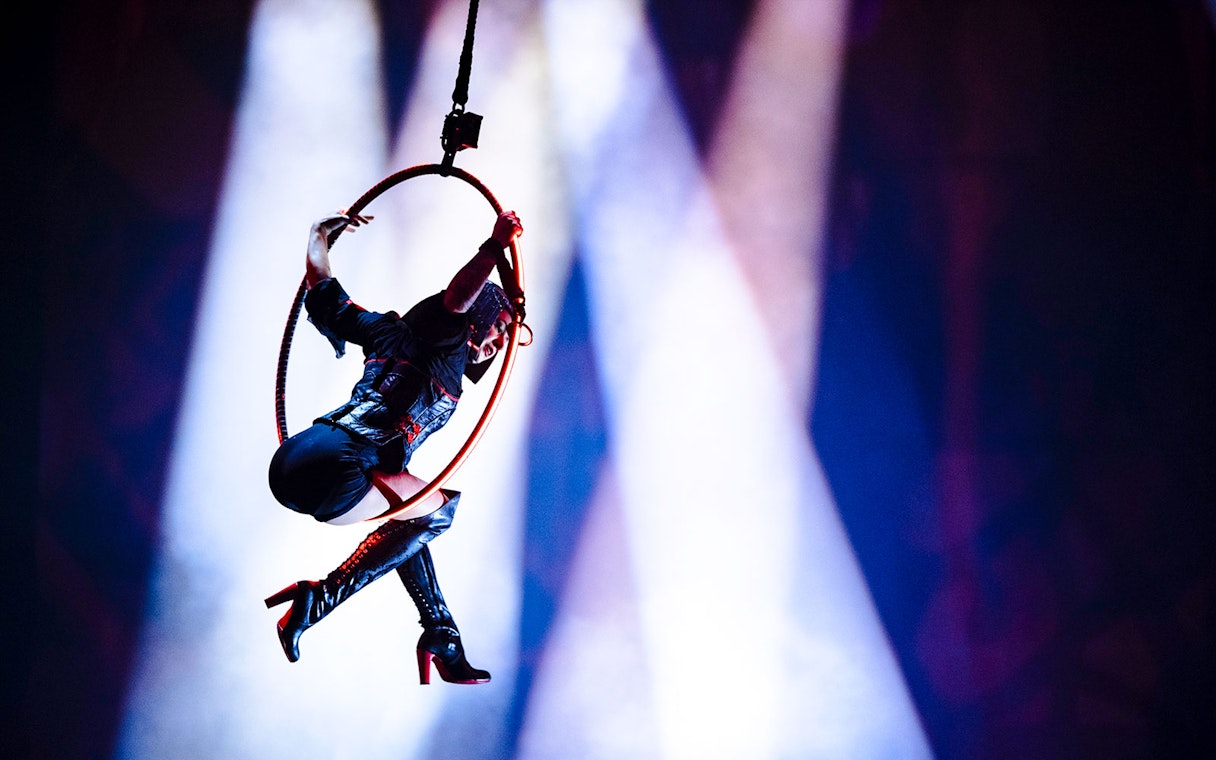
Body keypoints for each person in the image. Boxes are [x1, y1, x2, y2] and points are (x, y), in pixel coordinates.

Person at [264, 208, 524, 684]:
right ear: (476, 318)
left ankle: (443, 634)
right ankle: (316, 600)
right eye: (499, 326)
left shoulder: (383, 330)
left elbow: (321, 286)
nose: (499, 341)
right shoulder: (446, 338)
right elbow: (457, 298)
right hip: (342, 465)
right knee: (437, 512)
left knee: (413, 522)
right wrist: (494, 247)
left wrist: (319, 234)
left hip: (296, 461)